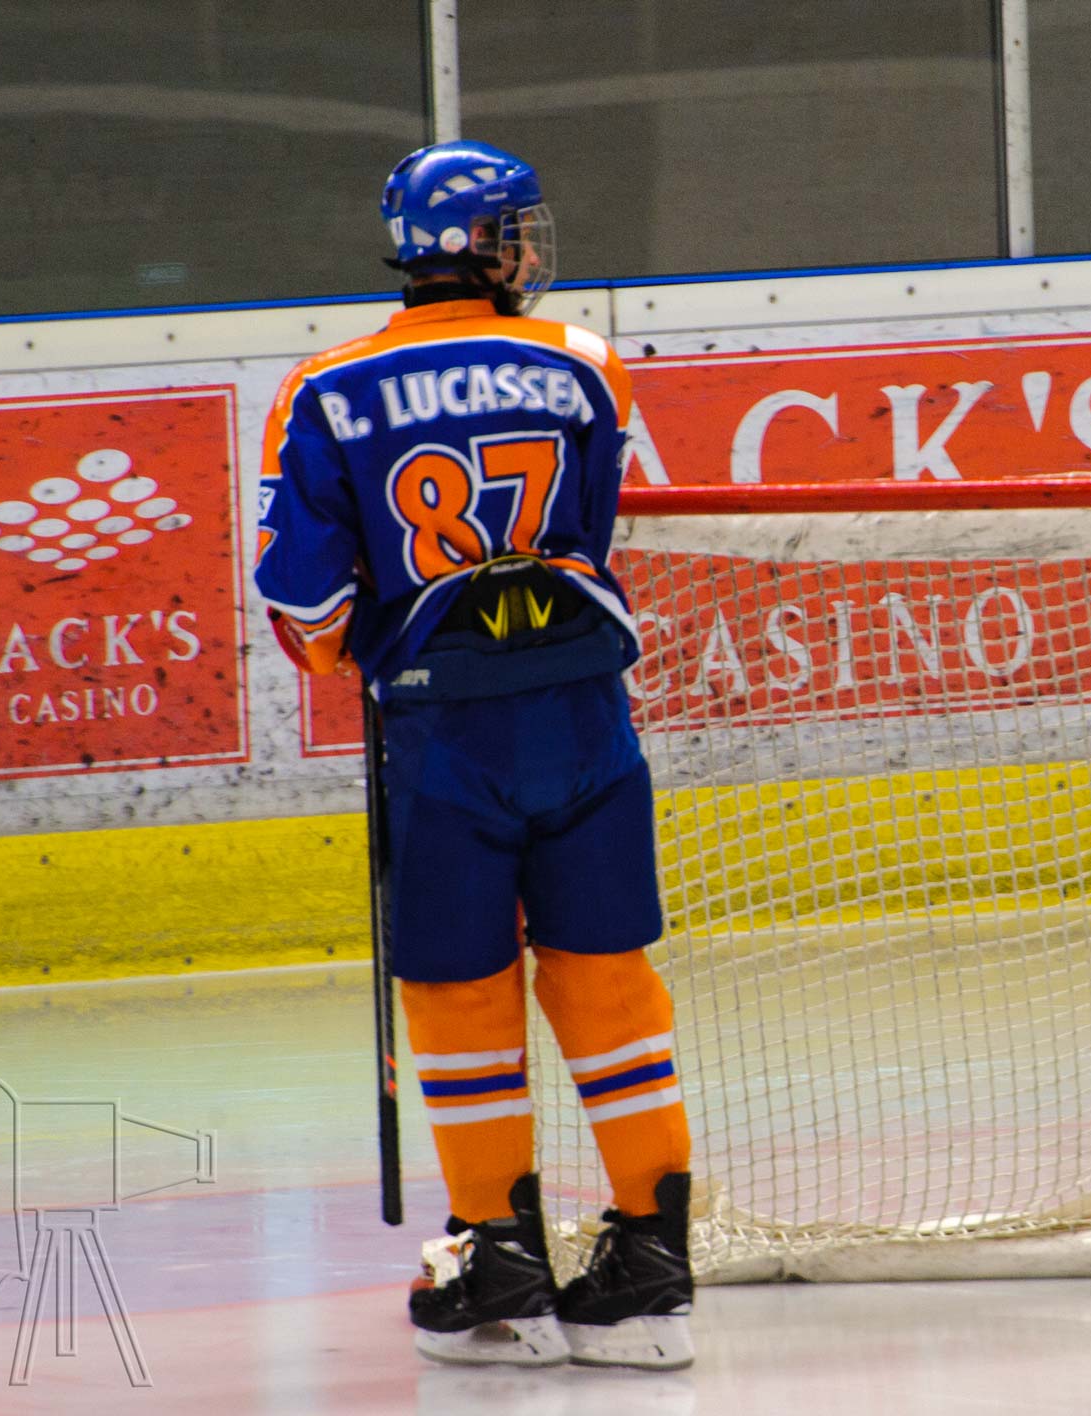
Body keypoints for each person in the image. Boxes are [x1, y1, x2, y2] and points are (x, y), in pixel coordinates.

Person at [253, 140, 693, 1371]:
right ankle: (652, 1269)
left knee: (458, 989)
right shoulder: (584, 361)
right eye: (515, 229)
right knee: (608, 978)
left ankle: (498, 1263)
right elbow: (588, 529)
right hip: (585, 717)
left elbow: (302, 599)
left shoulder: (323, 389)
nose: (529, 249)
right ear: (477, 246)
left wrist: (359, 648)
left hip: (442, 735)